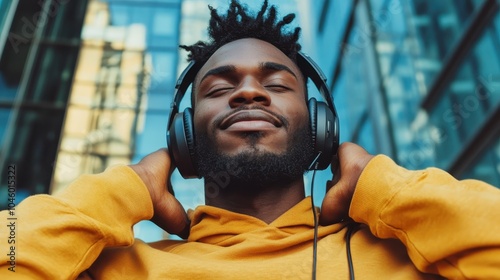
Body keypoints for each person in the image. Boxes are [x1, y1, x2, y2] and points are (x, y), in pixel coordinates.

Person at [2, 1, 500, 279]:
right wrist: (125, 187)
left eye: (276, 84)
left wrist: (383, 186)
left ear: (321, 126)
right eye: (219, 88)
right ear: (184, 136)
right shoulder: (114, 269)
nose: (247, 93)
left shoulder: (413, 258)